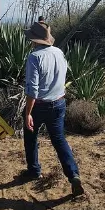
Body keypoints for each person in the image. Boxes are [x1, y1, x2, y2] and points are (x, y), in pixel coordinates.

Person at [22, 21, 84, 197]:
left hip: (39, 105)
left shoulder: (34, 57)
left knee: (31, 137)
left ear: (33, 39)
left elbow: (32, 89)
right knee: (59, 140)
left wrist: (28, 113)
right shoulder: (59, 52)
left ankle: (34, 170)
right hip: (59, 102)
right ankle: (73, 175)